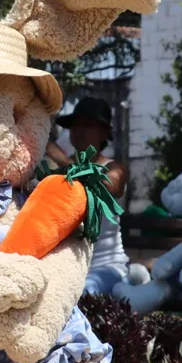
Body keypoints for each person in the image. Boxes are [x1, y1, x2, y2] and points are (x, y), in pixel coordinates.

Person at [47, 96, 139, 294]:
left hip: (107, 267)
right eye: (74, 125)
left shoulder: (115, 168)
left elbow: (107, 186)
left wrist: (63, 161)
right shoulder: (58, 171)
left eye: (87, 125)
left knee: (85, 290)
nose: (78, 130)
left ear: (104, 133)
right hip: (69, 266)